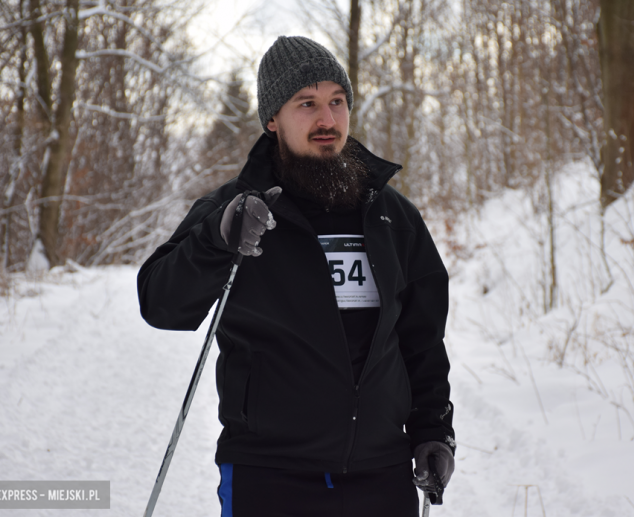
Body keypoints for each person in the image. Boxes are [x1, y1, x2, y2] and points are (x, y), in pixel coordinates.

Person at [137, 35, 455, 517]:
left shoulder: (392, 216)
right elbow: (161, 305)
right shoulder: (237, 213)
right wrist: (214, 240)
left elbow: (422, 340)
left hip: (381, 474)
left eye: (337, 102)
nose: (327, 120)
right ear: (272, 118)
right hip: (269, 475)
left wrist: (433, 431)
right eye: (306, 103)